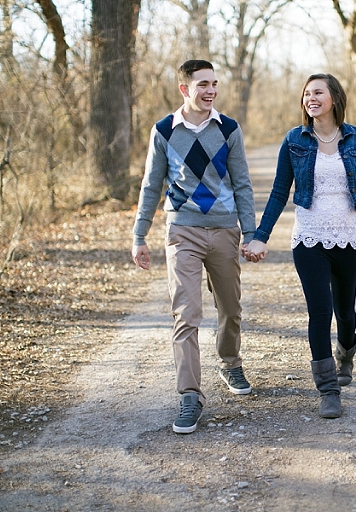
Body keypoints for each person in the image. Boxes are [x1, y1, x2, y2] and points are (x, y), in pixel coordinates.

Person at [244, 73, 356, 419]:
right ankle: (328, 390)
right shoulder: (295, 140)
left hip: (350, 238)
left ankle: (346, 350)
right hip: (309, 238)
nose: (310, 98)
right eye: (306, 94)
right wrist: (260, 235)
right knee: (320, 312)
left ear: (334, 98)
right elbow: (279, 191)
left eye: (317, 92)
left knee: (345, 312)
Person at [132, 59, 256, 434]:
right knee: (185, 313)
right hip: (182, 230)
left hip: (223, 231)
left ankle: (230, 362)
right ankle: (190, 395)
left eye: (214, 84)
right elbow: (151, 185)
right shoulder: (165, 131)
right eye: (203, 84)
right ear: (185, 89)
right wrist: (139, 235)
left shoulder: (229, 129)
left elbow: (243, 183)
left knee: (230, 308)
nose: (211, 91)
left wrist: (250, 233)